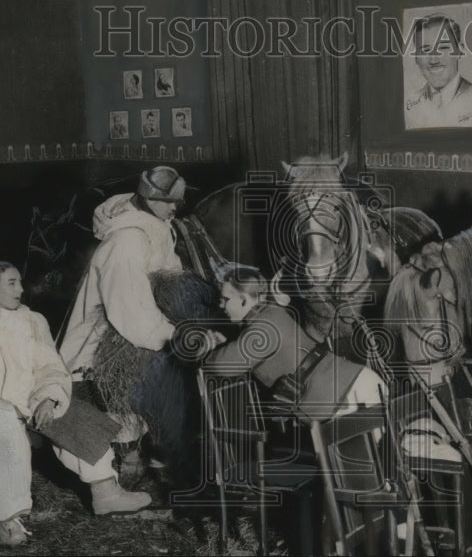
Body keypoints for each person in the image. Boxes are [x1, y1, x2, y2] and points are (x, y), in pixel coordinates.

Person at [0, 262, 152, 547]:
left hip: (24, 400)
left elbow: (50, 368)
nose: (20, 289)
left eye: (20, 282)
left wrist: (48, 397)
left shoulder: (33, 321)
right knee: (6, 426)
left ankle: (105, 490)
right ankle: (8, 519)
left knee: (69, 413)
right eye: (11, 283)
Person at [58, 166, 190, 472]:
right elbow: (129, 309)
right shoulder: (126, 243)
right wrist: (173, 335)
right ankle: (128, 454)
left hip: (139, 324)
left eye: (177, 201)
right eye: (169, 201)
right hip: (108, 336)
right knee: (131, 383)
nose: (176, 207)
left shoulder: (153, 223)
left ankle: (148, 446)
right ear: (148, 198)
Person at [201, 266, 386, 421]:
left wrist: (207, 347)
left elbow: (220, 365)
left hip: (346, 396)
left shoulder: (263, 327)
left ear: (243, 300)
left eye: (225, 299)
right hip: (355, 385)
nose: (221, 305)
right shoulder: (272, 314)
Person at [404, 14, 472, 130]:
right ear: (416, 58)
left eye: (443, 47)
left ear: (460, 51)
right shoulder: (407, 105)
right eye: (425, 50)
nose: (434, 60)